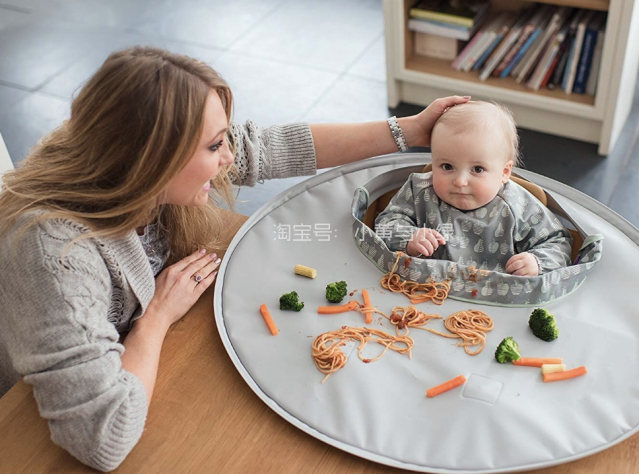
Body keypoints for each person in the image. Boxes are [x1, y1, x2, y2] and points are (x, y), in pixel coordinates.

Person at [0, 46, 469, 471]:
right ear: (151, 160)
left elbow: (266, 147)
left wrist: (409, 131)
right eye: (213, 145)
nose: (229, 158)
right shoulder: (55, 255)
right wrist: (158, 316)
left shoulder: (112, 154)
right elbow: (103, 439)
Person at [375, 101, 572, 276]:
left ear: (504, 172)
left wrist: (537, 262)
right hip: (424, 293)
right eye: (447, 167)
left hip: (492, 302)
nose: (460, 181)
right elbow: (383, 226)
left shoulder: (518, 206)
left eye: (477, 169)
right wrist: (408, 237)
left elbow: (559, 242)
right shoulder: (419, 190)